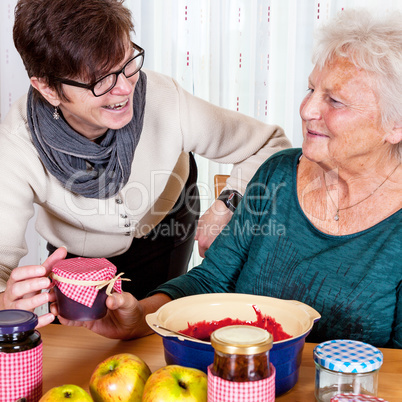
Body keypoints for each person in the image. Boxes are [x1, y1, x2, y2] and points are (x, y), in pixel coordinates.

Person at [56, 8, 402, 348]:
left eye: (336, 101)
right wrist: (139, 318)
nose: (308, 110)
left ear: (394, 125)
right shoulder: (278, 172)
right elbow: (211, 280)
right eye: (311, 89)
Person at [0, 0, 291, 325]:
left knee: (160, 331)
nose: (125, 88)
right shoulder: (16, 142)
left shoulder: (164, 99)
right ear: (48, 88)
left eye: (127, 63)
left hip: (167, 229)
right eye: (100, 80)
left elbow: (269, 143)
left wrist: (228, 202)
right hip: (79, 260)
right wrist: (5, 299)